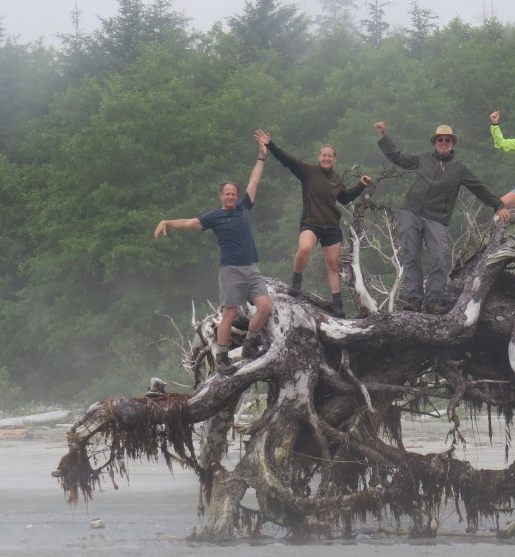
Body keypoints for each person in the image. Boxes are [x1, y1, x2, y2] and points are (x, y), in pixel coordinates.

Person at [154, 140, 273, 374]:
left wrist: (261, 156)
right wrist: (167, 222)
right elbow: (190, 223)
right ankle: (222, 358)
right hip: (230, 270)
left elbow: (254, 181)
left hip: (251, 268)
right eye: (227, 194)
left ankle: (249, 344)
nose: (231, 197)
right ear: (221, 196)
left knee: (265, 306)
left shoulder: (244, 208)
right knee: (229, 314)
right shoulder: (214, 217)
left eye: (233, 194)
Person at [374, 121, 505, 314]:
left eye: (447, 140)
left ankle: (434, 300)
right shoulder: (423, 158)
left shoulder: (459, 167)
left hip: (436, 218)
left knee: (438, 258)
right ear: (435, 142)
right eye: (440, 140)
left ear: (452, 143)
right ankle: (413, 299)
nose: (444, 143)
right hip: (411, 212)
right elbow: (398, 158)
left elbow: (478, 187)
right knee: (411, 256)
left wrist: (498, 205)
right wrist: (383, 136)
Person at [253, 129, 372, 317]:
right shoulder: (309, 172)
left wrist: (361, 185)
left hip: (331, 226)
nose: (326, 158)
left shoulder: (336, 179)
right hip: (311, 222)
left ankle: (337, 305)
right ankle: (296, 281)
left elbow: (344, 198)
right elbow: (288, 160)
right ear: (319, 157)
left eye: (330, 156)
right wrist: (270, 145)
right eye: (324, 155)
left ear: (334, 159)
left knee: (332, 265)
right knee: (305, 248)